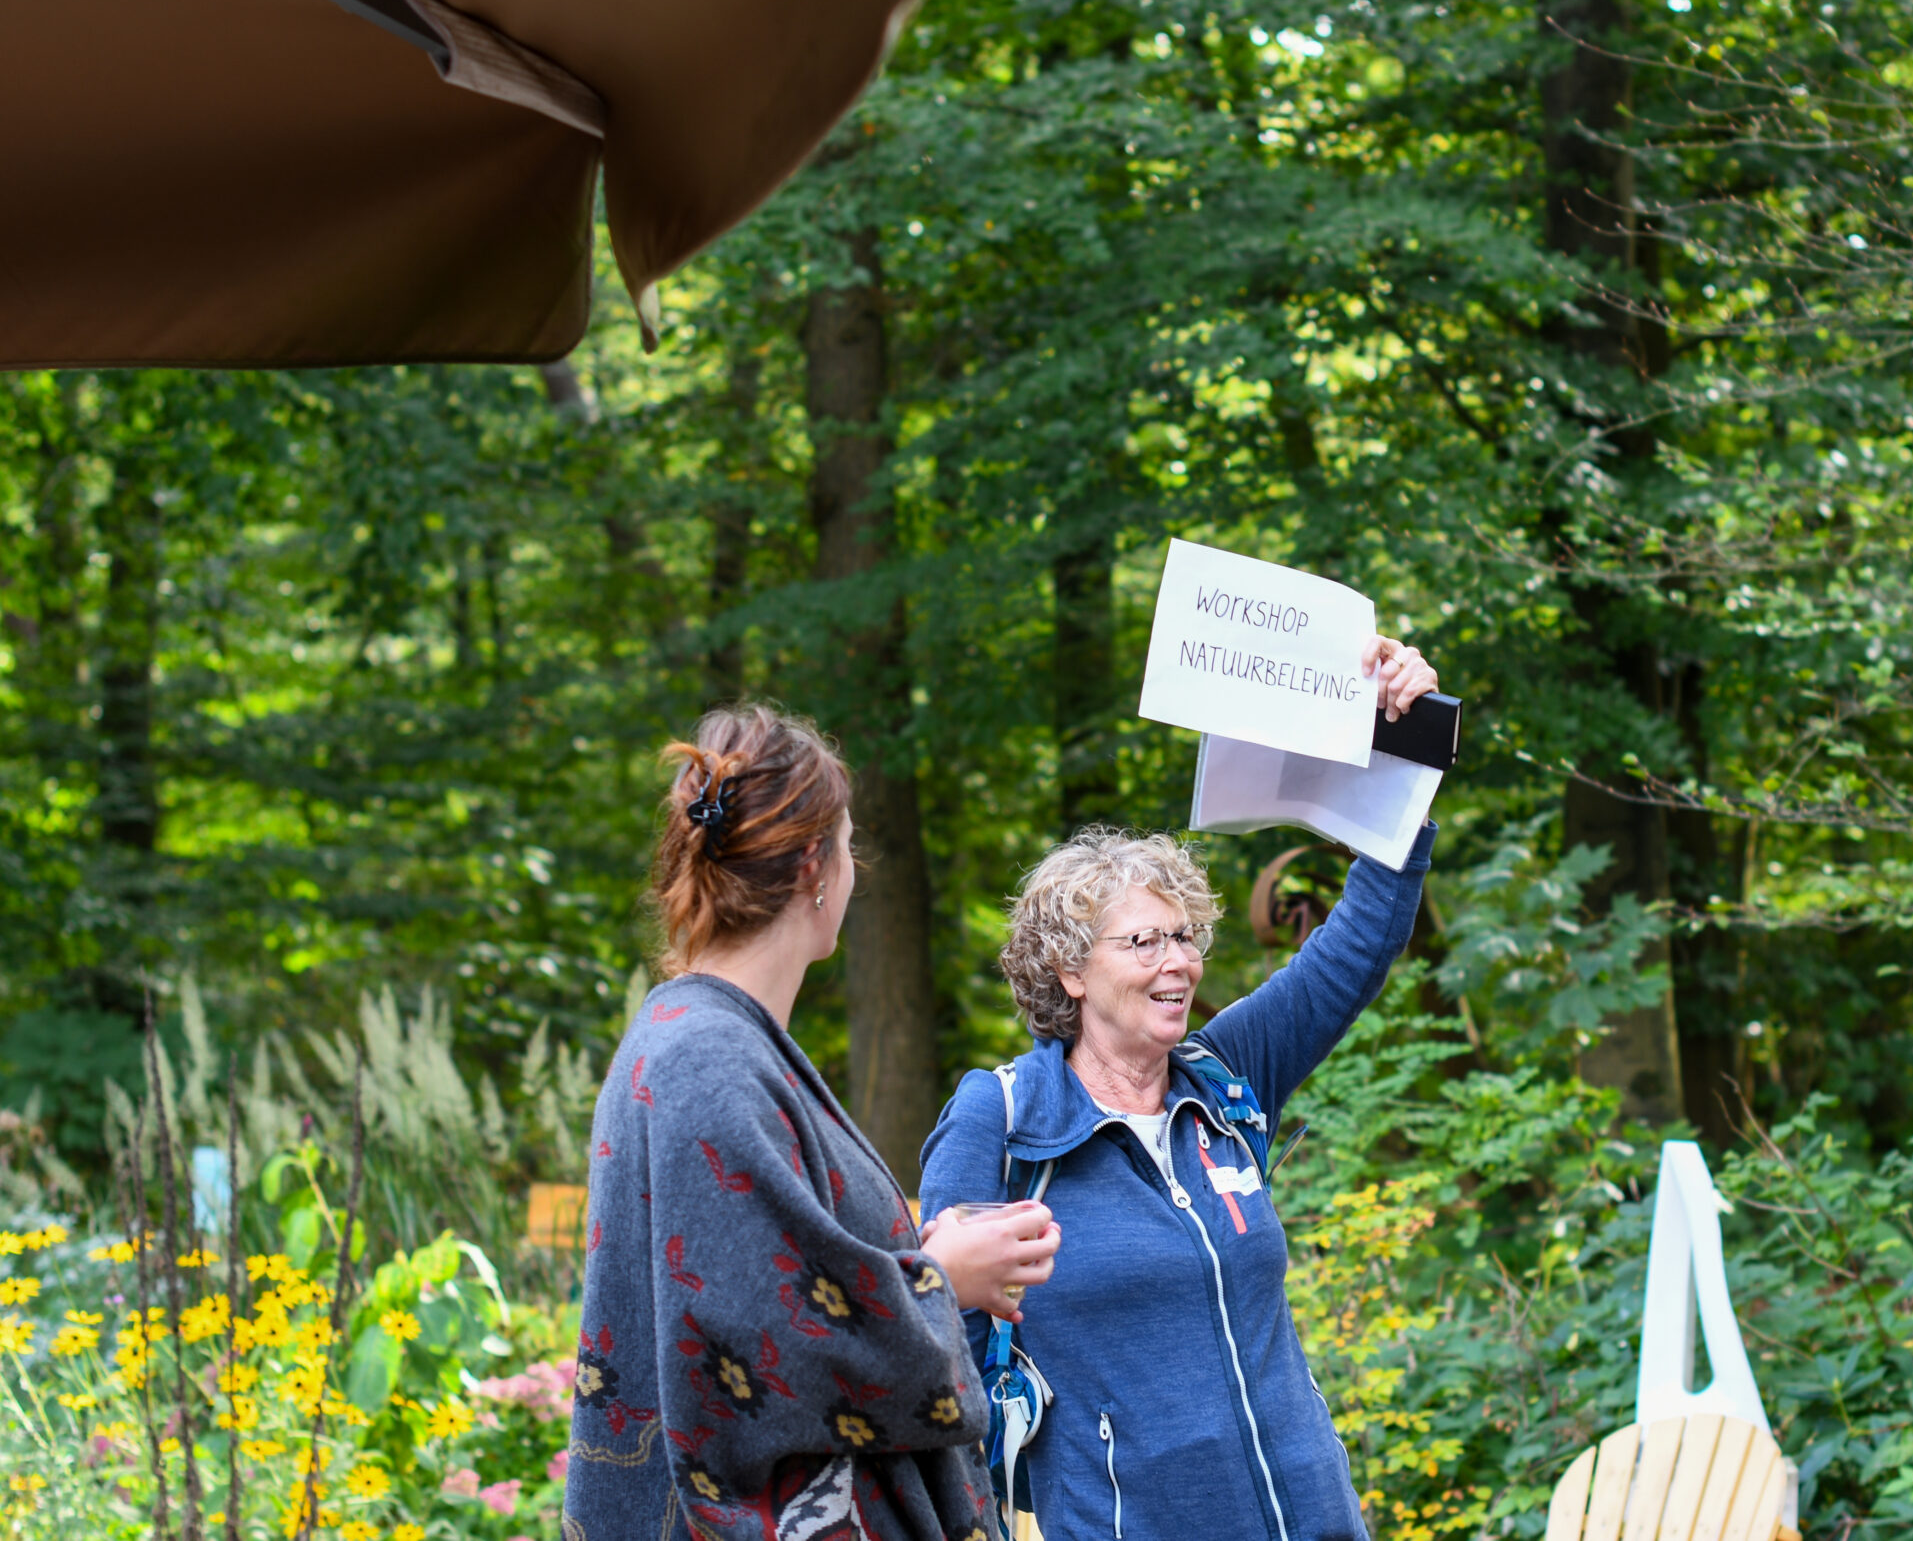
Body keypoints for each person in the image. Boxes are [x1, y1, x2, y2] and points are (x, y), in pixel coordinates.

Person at [917, 637, 1440, 1541]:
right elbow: (940, 1345)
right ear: (1070, 972)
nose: (1180, 962)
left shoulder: (1226, 1077)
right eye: (1144, 941)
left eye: (1186, 936)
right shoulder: (1004, 1117)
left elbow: (1360, 940)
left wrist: (1410, 750)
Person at [565, 704, 1059, 1541]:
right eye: (849, 844)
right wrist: (937, 1279)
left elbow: (765, 1272)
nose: (855, 872)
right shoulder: (707, 1061)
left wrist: (908, 1255)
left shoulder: (712, 1039)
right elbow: (762, 1355)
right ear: (811, 866)